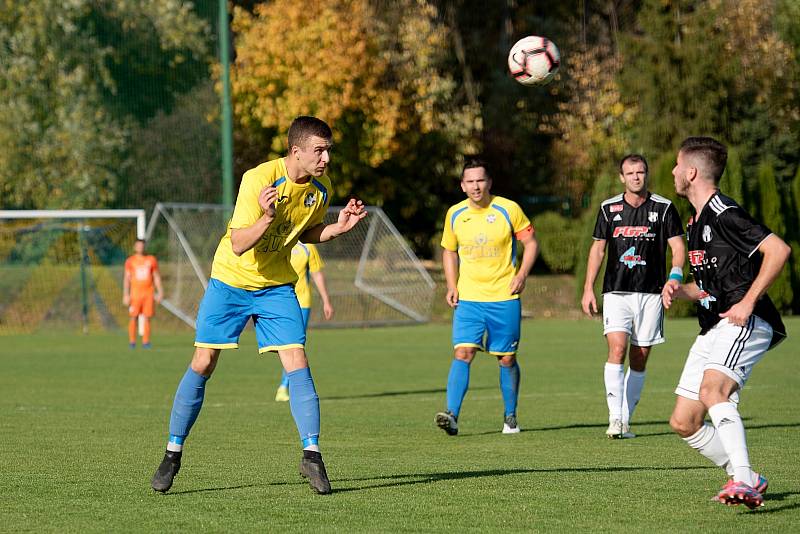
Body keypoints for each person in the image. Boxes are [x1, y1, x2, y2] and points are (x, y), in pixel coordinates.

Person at [150, 116, 366, 495]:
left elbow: (308, 231)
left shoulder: (321, 189)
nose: (326, 158)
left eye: (328, 150)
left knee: (297, 359)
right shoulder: (258, 179)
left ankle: (312, 455)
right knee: (204, 362)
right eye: (319, 150)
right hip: (231, 281)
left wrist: (337, 228)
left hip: (276, 285)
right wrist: (267, 216)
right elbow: (238, 243)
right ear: (295, 151)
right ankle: (172, 453)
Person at [663, 136, 789, 509]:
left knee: (713, 392)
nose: (671, 172)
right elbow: (709, 287)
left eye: (676, 165)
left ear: (691, 172)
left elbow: (778, 250)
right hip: (714, 325)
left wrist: (749, 302)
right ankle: (748, 476)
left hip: (745, 320)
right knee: (684, 421)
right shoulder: (697, 220)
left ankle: (743, 481)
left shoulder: (723, 212)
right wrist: (678, 289)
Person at [581, 155, 685, 438]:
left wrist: (675, 276)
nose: (636, 177)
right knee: (617, 349)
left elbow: (678, 247)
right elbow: (598, 250)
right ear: (621, 177)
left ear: (646, 174)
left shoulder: (663, 208)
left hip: (651, 293)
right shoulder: (608, 208)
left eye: (640, 172)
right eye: (630, 173)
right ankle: (615, 419)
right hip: (617, 291)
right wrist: (588, 287)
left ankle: (625, 420)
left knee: (639, 358)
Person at [434, 158, 538, 436]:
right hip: (469, 298)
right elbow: (449, 250)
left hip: (504, 297)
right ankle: (452, 414)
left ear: (489, 182)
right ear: (462, 185)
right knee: (463, 352)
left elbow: (530, 243)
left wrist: (522, 275)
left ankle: (511, 416)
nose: (476, 186)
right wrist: (451, 284)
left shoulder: (508, 209)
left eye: (480, 180)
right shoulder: (455, 214)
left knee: (505, 358)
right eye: (470, 181)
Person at [274, 241, 334, 402]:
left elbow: (317, 274)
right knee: (282, 345)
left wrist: (326, 300)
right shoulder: (279, 241)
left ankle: (285, 386)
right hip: (279, 301)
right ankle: (288, 385)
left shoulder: (308, 246)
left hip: (302, 303)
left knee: (295, 345)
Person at [123, 239, 163, 349]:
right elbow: (127, 278)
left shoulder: (151, 260)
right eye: (138, 245)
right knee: (133, 317)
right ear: (135, 247)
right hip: (135, 294)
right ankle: (132, 342)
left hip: (148, 293)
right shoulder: (130, 261)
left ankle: (146, 342)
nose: (140, 247)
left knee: (147, 317)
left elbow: (156, 277)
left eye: (142, 245)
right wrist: (126, 294)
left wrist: (160, 292)